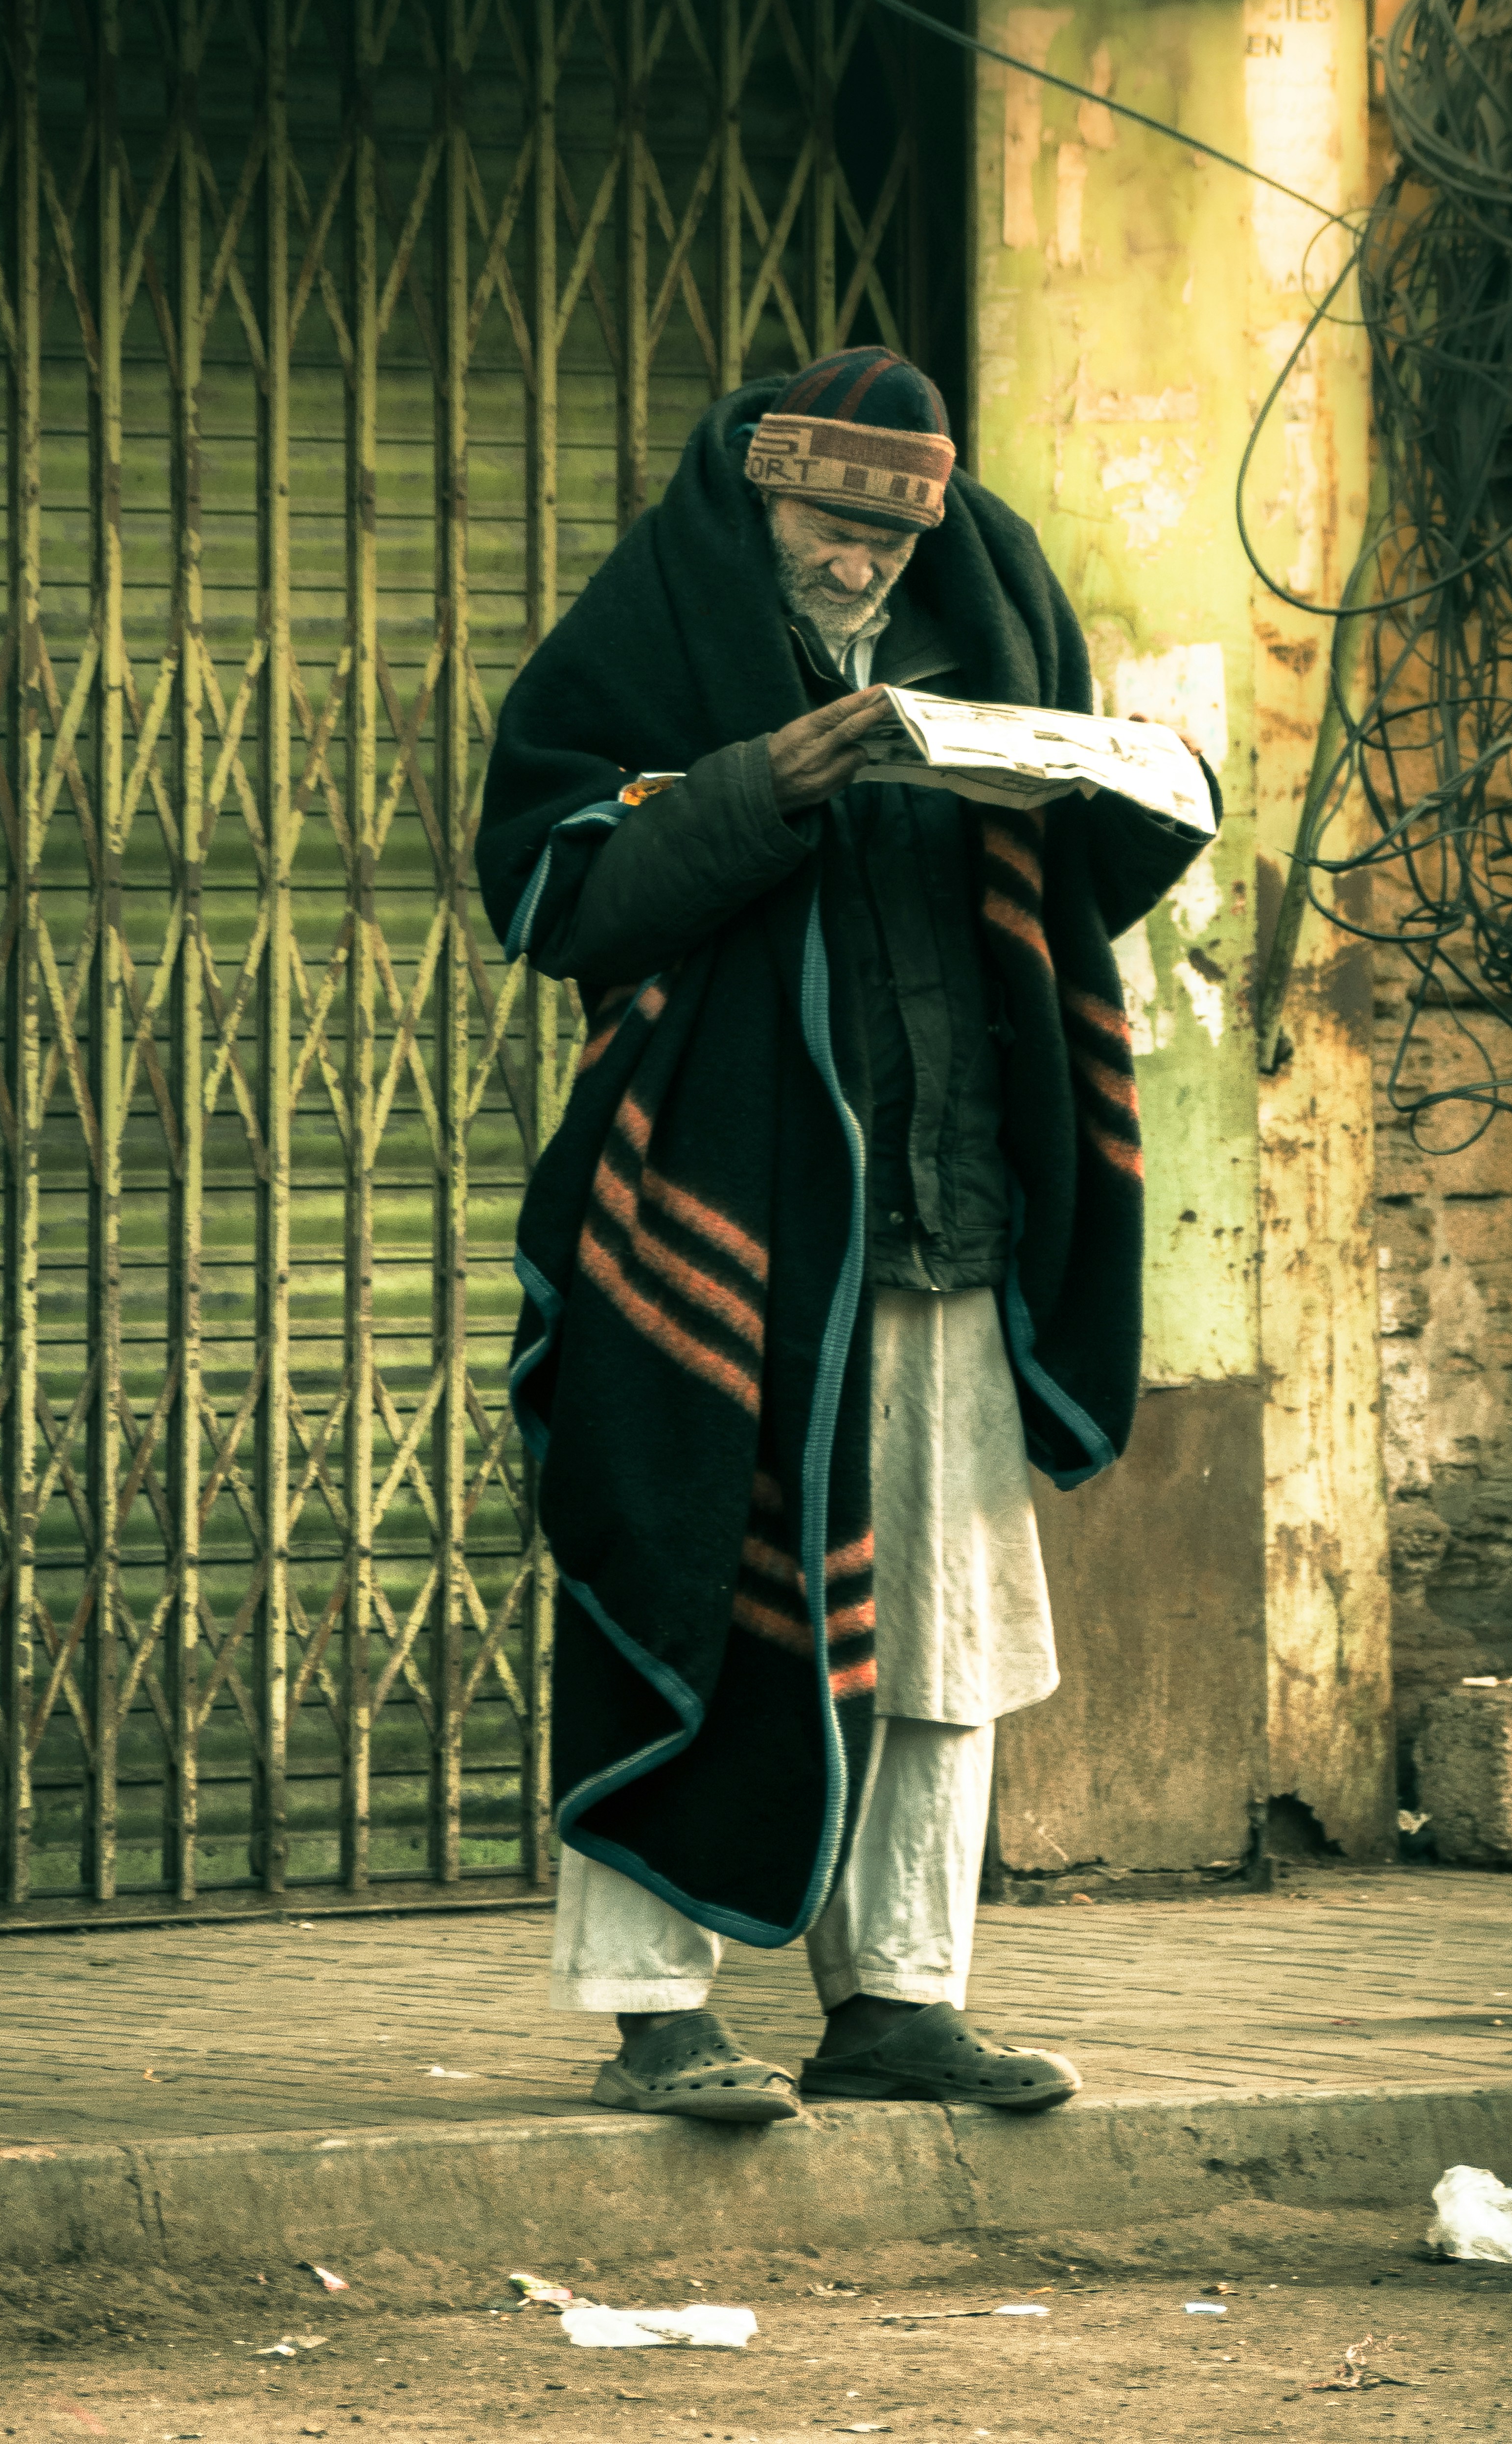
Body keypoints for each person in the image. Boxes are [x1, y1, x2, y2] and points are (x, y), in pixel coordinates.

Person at [477, 348, 1213, 2125]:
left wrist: (1125, 791)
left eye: (894, 533)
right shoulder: (648, 639)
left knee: (943, 1632)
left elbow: (1065, 910)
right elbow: (559, 898)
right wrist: (759, 786)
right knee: (681, 1586)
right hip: (725, 1208)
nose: (862, 562)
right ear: (760, 497)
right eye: (828, 521)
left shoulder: (991, 638)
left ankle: (900, 2001)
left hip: (947, 1201)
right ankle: (656, 2012)